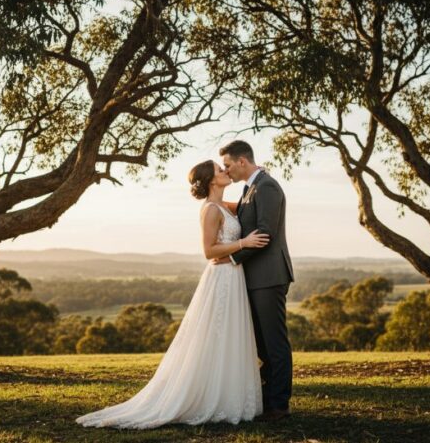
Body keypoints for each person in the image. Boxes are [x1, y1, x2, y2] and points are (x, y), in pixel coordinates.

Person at [75, 159, 269, 429]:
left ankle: (227, 394)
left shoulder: (224, 206)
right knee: (214, 336)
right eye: (219, 169)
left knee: (228, 336)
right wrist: (244, 243)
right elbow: (209, 251)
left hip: (233, 276)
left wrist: (258, 174)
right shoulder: (210, 210)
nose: (225, 171)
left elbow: (249, 205)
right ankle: (204, 396)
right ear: (211, 180)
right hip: (222, 279)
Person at [217, 140, 294, 421]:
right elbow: (241, 212)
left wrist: (232, 258)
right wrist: (211, 201)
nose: (227, 170)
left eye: (228, 165)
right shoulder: (251, 189)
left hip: (269, 276)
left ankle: (279, 405)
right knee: (261, 343)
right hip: (255, 277)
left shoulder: (267, 186)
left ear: (242, 161)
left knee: (274, 342)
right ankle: (267, 396)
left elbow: (264, 234)